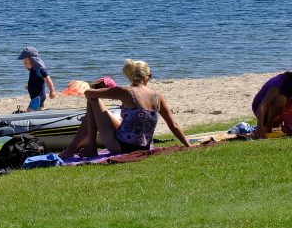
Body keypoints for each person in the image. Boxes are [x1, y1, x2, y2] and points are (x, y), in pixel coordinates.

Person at [63, 59, 191, 157]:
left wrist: (98, 88)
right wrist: (188, 145)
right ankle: (79, 149)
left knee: (92, 101)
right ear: (146, 77)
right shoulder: (157, 96)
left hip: (122, 147)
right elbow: (173, 124)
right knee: (109, 114)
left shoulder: (125, 92)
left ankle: (89, 148)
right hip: (144, 146)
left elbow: (88, 94)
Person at [250, 71, 292, 137]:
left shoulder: (289, 84)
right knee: (281, 99)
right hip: (259, 108)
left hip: (272, 111)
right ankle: (267, 127)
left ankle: (286, 125)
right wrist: (259, 129)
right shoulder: (278, 84)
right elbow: (263, 105)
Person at [18, 45, 57, 112]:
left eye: (26, 62)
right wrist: (29, 86)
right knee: (39, 110)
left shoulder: (40, 70)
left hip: (38, 97)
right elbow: (34, 80)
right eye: (23, 63)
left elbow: (48, 80)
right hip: (36, 97)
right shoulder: (32, 70)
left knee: (29, 111)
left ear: (33, 60)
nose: (24, 64)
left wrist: (52, 91)